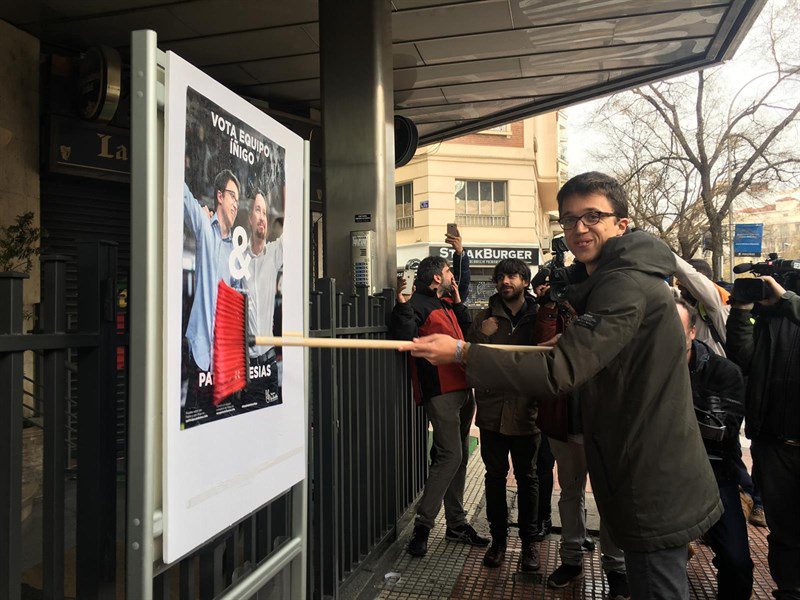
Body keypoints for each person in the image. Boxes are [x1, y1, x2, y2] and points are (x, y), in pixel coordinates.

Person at [402, 171, 722, 599]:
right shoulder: (621, 278)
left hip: (652, 475)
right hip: (641, 466)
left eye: (593, 216)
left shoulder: (625, 282)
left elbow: (560, 371)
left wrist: (463, 354)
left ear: (621, 224)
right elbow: (602, 353)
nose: (579, 228)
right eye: (569, 219)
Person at [390, 255, 489, 557]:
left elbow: (469, 334)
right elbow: (404, 338)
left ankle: (456, 523)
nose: (452, 278)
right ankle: (423, 527)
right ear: (436, 278)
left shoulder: (446, 304)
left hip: (463, 389)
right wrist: (403, 304)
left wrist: (458, 303)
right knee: (451, 455)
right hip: (441, 392)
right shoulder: (417, 304)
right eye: (448, 272)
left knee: (458, 458)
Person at [674, 256, 767, 526]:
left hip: (718, 388)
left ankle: (748, 499)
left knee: (726, 452)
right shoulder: (685, 311)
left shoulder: (713, 304)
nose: (681, 289)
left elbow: (693, 279)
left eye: (684, 285)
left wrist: (669, 257)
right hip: (693, 384)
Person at [727, 274, 800, 600]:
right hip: (775, 445)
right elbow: (743, 357)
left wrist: (787, 301)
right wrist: (741, 310)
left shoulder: (790, 309)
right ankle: (788, 590)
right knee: (784, 532)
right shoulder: (773, 320)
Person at [676, 297, 754, 599]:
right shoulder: (646, 368)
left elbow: (722, 430)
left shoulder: (723, 372)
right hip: (662, 474)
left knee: (736, 561)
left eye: (677, 330)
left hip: (714, 472)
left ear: (693, 332)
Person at [466, 258, 540, 571]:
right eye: (500, 277)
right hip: (493, 413)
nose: (505, 282)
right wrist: (481, 335)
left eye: (512, 276)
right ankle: (497, 541)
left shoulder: (540, 317)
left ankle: (529, 545)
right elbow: (469, 361)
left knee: (528, 478)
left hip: (527, 412)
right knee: (494, 477)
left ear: (525, 281)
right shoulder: (483, 317)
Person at [182, 169, 241, 416]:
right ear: (219, 196)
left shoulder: (237, 252)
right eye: (231, 196)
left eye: (238, 199)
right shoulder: (206, 229)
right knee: (195, 420)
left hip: (224, 358)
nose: (236, 204)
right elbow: (183, 197)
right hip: (201, 351)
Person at [241, 187, 283, 408]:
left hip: (268, 362)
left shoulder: (275, 253)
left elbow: (293, 231)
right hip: (245, 366)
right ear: (250, 218)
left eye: (265, 212)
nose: (263, 217)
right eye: (258, 210)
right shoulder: (238, 258)